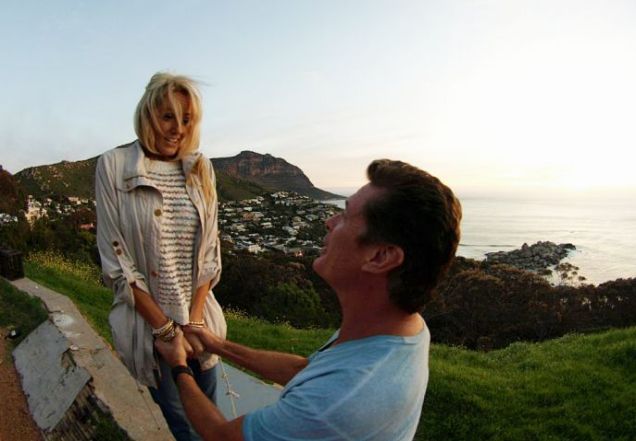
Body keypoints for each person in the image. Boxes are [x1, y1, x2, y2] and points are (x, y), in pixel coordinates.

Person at [156, 159, 462, 441]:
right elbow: (305, 370)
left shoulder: (335, 405)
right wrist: (217, 345)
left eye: (346, 215)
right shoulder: (401, 328)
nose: (330, 221)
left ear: (380, 257)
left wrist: (179, 365)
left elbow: (220, 435)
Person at [95, 72, 227, 441]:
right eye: (168, 116)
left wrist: (194, 321)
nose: (178, 129)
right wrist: (166, 330)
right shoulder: (113, 166)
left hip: (199, 324)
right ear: (148, 114)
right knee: (183, 426)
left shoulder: (201, 168)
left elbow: (209, 254)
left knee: (214, 422)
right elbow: (117, 262)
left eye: (187, 119)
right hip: (150, 330)